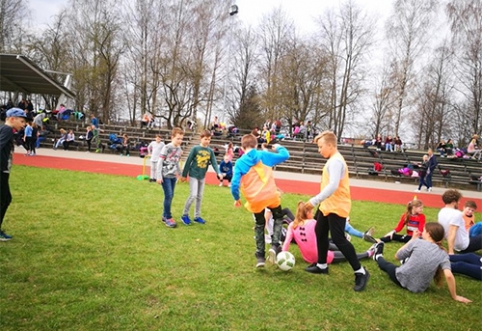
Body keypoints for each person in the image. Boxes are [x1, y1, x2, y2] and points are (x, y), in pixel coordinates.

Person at [304, 131, 370, 292]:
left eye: (321, 147)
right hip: (328, 205)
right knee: (320, 231)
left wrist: (313, 201)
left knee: (338, 239)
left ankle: (360, 272)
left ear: (330, 145)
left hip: (337, 206)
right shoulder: (333, 160)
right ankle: (321, 265)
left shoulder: (336, 162)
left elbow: (333, 186)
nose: (319, 150)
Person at [373, 223, 471, 303]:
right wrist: (455, 296)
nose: (422, 232)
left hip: (400, 278)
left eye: (423, 230)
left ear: (428, 233)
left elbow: (397, 255)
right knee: (409, 260)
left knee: (387, 265)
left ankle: (377, 255)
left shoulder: (418, 242)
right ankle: (401, 261)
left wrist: (412, 240)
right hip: (419, 288)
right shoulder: (443, 254)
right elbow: (449, 275)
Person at [231, 134, 290, 268]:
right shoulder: (264, 155)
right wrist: (279, 146)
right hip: (270, 195)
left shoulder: (240, 162)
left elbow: (234, 184)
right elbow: (285, 155)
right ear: (256, 145)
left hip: (255, 199)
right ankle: (275, 245)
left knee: (259, 224)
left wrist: (237, 198)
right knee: (278, 217)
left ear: (242, 147)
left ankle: (260, 257)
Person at [282, 202, 376, 265]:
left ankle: (357, 244)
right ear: (307, 213)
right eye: (311, 211)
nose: (313, 213)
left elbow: (286, 242)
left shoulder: (292, 225)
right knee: (347, 254)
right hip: (322, 257)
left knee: (332, 246)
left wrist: (283, 255)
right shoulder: (314, 223)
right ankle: (368, 253)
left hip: (307, 258)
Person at [180, 130, 223, 225]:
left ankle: (197, 216)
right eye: (205, 139)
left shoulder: (210, 151)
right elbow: (188, 161)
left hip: (202, 176)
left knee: (199, 196)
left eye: (209, 139)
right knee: (193, 195)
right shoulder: (195, 149)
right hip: (193, 175)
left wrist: (218, 172)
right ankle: (184, 215)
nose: (207, 141)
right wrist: (184, 175)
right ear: (201, 138)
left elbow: (214, 163)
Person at [0, 108, 27, 241]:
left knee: (6, 199)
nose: (23, 124)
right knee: (3, 200)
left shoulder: (5, 130)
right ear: (12, 119)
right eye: (21, 121)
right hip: (1, 171)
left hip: (3, 170)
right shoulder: (7, 130)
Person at [438, 189, 482, 254]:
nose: (459, 203)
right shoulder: (456, 213)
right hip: (464, 245)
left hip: (460, 242)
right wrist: (451, 251)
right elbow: (452, 232)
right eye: (458, 201)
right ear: (453, 202)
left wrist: (439, 244)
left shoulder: (442, 211)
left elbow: (441, 230)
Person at [156, 127, 184, 228]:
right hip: (165, 175)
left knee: (171, 196)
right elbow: (160, 162)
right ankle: (168, 217)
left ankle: (164, 215)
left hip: (173, 176)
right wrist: (158, 176)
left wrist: (180, 174)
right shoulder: (167, 148)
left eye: (181, 138)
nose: (180, 140)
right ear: (172, 137)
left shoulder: (179, 149)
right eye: (178, 138)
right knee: (168, 195)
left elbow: (176, 163)